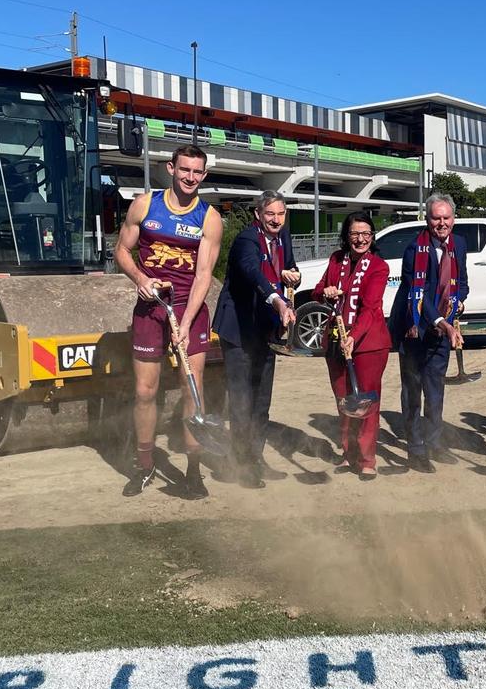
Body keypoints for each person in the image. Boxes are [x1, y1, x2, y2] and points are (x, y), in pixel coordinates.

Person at [115, 145, 223, 498]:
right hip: (150, 309)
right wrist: (140, 279)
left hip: (190, 308)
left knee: (193, 389)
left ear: (203, 175)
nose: (190, 177)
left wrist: (187, 323)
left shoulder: (209, 218)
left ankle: (193, 471)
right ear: (171, 169)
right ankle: (145, 466)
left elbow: (204, 275)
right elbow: (121, 250)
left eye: (197, 172)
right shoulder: (146, 205)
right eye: (184, 170)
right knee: (144, 392)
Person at [213, 191, 300, 489]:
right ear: (258, 215)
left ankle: (256, 457)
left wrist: (293, 276)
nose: (276, 220)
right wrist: (276, 299)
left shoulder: (283, 236)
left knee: (261, 401)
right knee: (241, 401)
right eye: (270, 215)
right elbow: (252, 272)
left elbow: (290, 267)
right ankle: (241, 465)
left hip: (265, 329)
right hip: (238, 329)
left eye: (281, 214)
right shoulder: (247, 240)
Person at [389, 194, 469, 473]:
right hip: (415, 327)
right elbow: (419, 295)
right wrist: (442, 322)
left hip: (442, 329)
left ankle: (434, 442)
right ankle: (416, 449)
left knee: (435, 390)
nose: (441, 223)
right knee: (413, 390)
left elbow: (462, 283)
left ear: (453, 219)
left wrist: (458, 303)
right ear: (427, 219)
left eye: (446, 218)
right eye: (436, 218)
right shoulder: (415, 249)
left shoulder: (459, 244)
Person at [315, 212, 391, 480]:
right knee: (344, 400)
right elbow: (318, 290)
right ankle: (349, 454)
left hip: (368, 344)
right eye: (355, 234)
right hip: (336, 339)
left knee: (366, 402)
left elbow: (371, 308)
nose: (361, 239)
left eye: (366, 234)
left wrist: (353, 336)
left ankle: (368, 459)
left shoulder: (379, 266)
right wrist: (325, 292)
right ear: (346, 237)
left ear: (372, 236)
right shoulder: (336, 259)